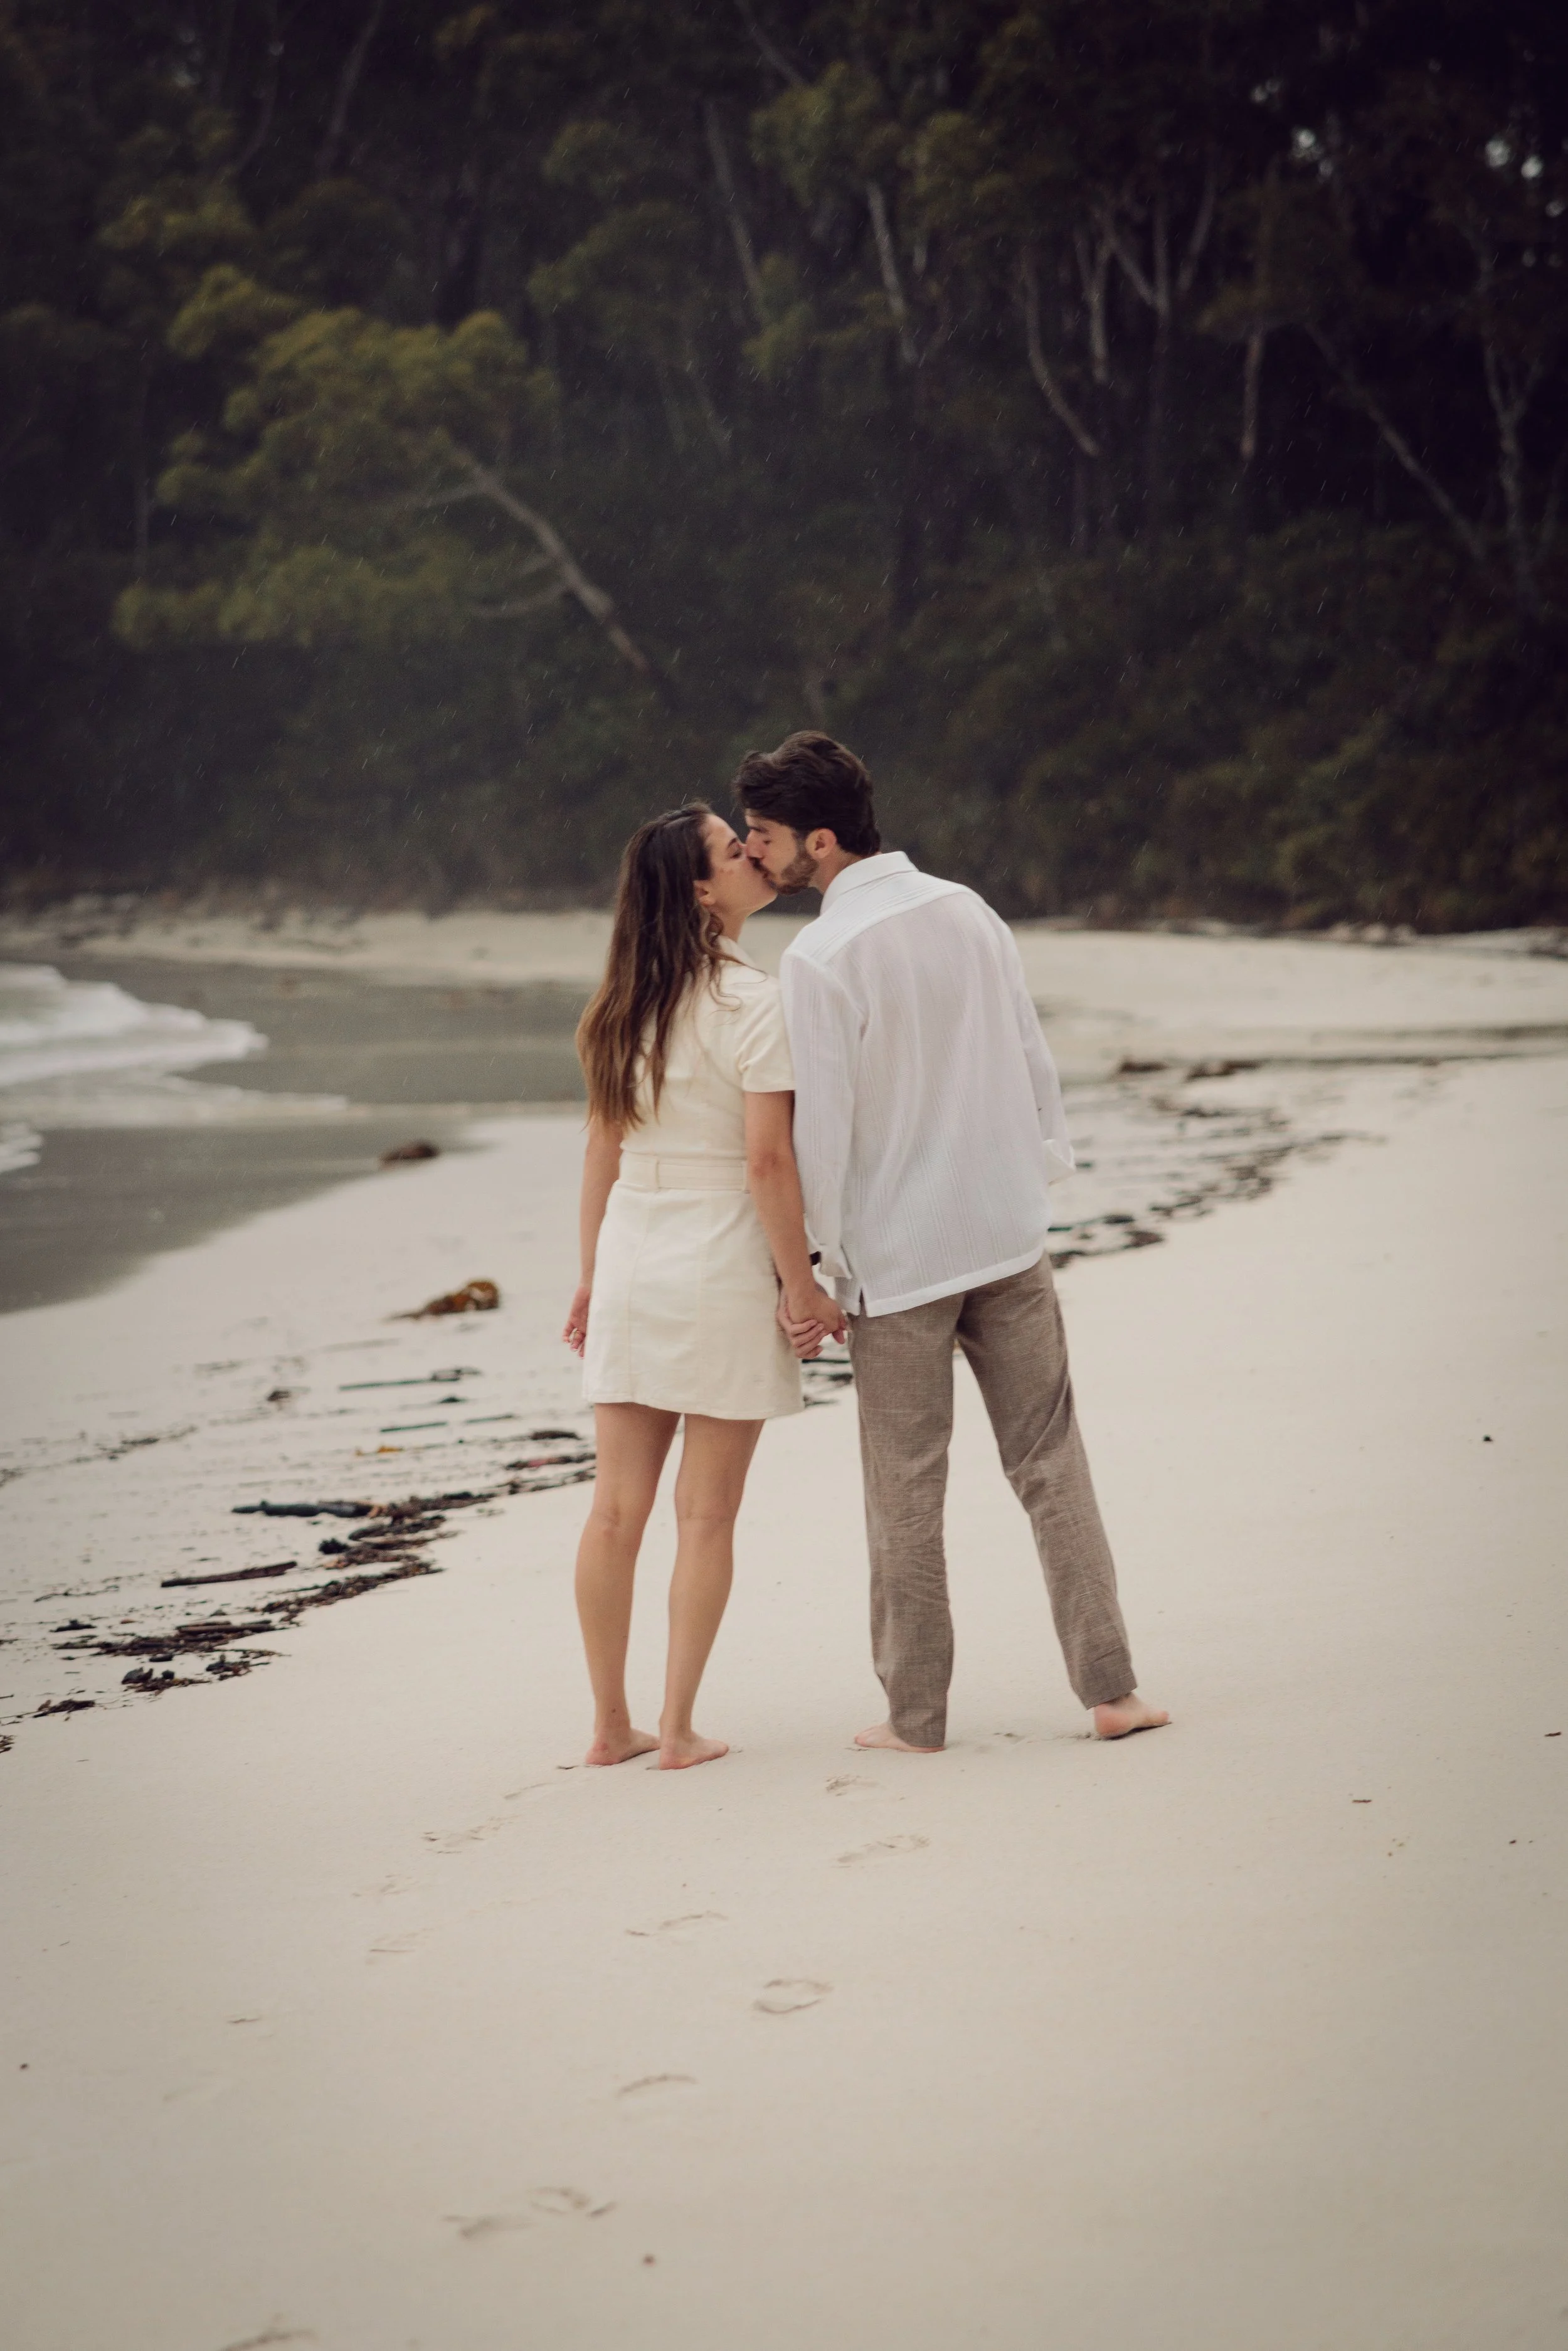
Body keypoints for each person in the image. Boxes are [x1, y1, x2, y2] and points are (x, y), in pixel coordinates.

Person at [735, 732, 1168, 1753]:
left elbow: (821, 1134)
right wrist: (1033, 1174)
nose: (757, 854)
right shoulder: (966, 909)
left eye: (765, 835)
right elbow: (1028, 1053)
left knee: (904, 1487)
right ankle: (1113, 1693)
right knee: (1052, 1462)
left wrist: (815, 1272)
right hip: (1005, 1235)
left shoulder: (821, 956)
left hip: (898, 1260)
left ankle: (916, 1715)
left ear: (823, 840)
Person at [563, 801, 844, 1771]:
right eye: (737, 850)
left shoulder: (620, 1005)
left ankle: (611, 1725)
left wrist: (592, 1276)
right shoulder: (755, 1003)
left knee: (613, 1510)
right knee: (705, 1515)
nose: (756, 855)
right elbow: (768, 1164)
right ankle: (677, 1729)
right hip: (721, 1262)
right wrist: (802, 1285)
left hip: (638, 1256)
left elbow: (602, 1148)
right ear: (698, 888)